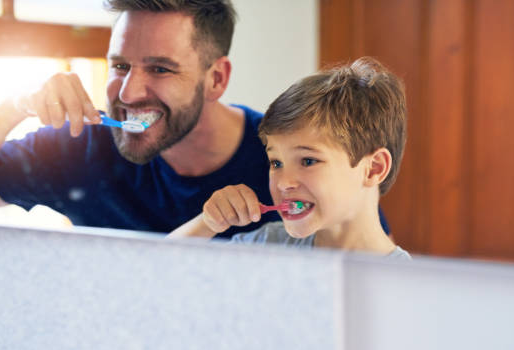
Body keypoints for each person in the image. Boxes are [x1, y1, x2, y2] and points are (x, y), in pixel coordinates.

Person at [0, 0, 389, 238]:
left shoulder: (288, 166)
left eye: (160, 69)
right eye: (120, 66)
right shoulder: (76, 145)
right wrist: (13, 106)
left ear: (216, 79)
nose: (129, 92)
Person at [169, 57, 410, 258]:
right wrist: (207, 223)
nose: (284, 182)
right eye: (276, 163)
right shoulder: (269, 245)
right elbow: (150, 273)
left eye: (307, 161)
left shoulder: (406, 284)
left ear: (373, 169)